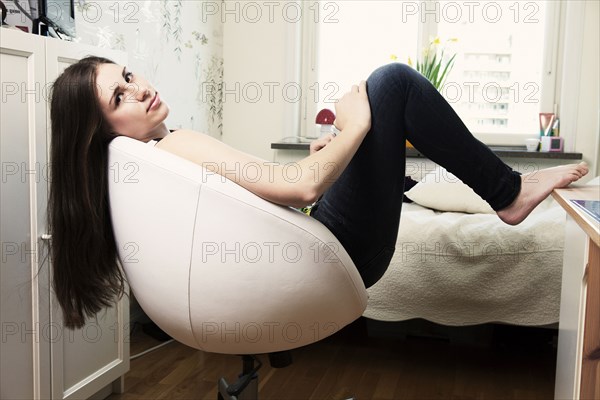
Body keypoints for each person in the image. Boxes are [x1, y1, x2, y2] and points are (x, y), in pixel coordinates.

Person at [49, 56, 588, 329]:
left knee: (384, 118)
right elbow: (302, 186)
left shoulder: (152, 156)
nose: (139, 88)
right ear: (101, 129)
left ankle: (473, 189)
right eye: (119, 96)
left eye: (128, 75)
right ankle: (508, 193)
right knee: (391, 84)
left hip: (317, 236)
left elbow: (268, 194)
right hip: (333, 249)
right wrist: (351, 129)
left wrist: (325, 159)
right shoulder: (173, 147)